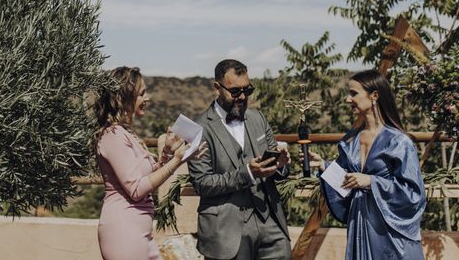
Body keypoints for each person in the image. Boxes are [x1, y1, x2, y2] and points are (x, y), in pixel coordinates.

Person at [305, 69, 426, 260]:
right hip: (359, 222)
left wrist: (371, 181)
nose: (347, 99)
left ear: (374, 96)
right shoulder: (351, 141)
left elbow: (413, 194)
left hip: (389, 231)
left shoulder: (399, 142)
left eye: (354, 93)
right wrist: (324, 166)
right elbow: (346, 182)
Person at [94, 66, 207, 260]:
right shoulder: (112, 136)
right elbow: (137, 189)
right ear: (124, 98)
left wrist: (168, 153)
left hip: (139, 231)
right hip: (124, 231)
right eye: (142, 94)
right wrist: (179, 159)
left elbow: (147, 176)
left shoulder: (125, 133)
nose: (148, 98)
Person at [187, 59, 292, 260]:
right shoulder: (199, 128)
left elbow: (276, 168)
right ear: (217, 87)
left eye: (247, 90)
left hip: (272, 226)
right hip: (227, 233)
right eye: (235, 91)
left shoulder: (258, 118)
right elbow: (202, 183)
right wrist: (249, 173)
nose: (242, 97)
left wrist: (281, 166)